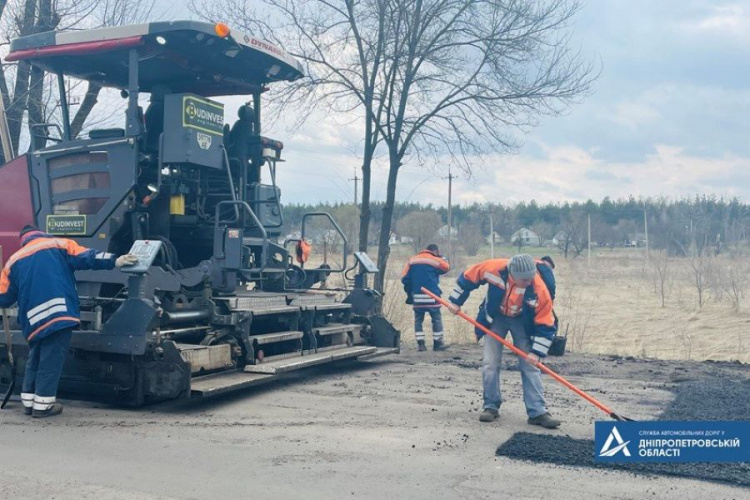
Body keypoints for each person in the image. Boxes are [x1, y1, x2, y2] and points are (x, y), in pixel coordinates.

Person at [0, 226, 138, 417]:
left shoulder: (13, 260)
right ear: (40, 233)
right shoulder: (58, 244)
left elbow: (4, 298)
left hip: (33, 320)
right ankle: (43, 405)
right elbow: (88, 257)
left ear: (23, 240)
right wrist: (116, 260)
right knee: (51, 358)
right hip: (59, 313)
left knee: (37, 357)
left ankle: (29, 402)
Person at [448, 254, 561, 429]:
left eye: (531, 278)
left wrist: (536, 353)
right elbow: (467, 279)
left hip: (522, 321)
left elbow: (546, 324)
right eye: (524, 280)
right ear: (512, 274)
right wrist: (455, 302)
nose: (528, 282)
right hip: (496, 318)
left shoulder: (539, 288)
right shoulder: (493, 268)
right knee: (490, 363)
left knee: (530, 365)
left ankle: (537, 412)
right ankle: (491, 406)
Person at [401, 244, 450, 351]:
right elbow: (446, 267)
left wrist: (411, 291)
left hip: (417, 296)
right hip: (432, 296)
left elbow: (404, 277)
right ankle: (437, 344)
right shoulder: (434, 260)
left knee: (418, 320)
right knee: (436, 319)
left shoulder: (412, 260)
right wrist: (441, 258)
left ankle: (421, 344)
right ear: (435, 251)